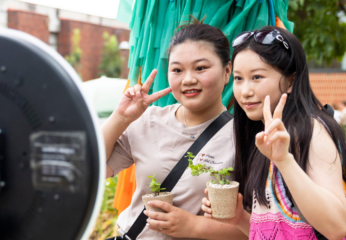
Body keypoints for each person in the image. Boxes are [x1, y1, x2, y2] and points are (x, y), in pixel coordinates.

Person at [103, 21, 247, 239]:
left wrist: (194, 226)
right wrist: (120, 118)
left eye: (200, 68)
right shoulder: (149, 120)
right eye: (177, 70)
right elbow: (91, 168)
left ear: (227, 71)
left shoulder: (243, 138)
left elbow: (260, 226)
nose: (188, 79)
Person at [202, 26, 346, 239]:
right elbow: (280, 231)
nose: (245, 91)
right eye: (239, 78)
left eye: (257, 77)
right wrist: (240, 218)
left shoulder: (309, 130)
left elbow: (337, 226)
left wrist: (285, 160)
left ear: (291, 81)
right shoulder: (264, 135)